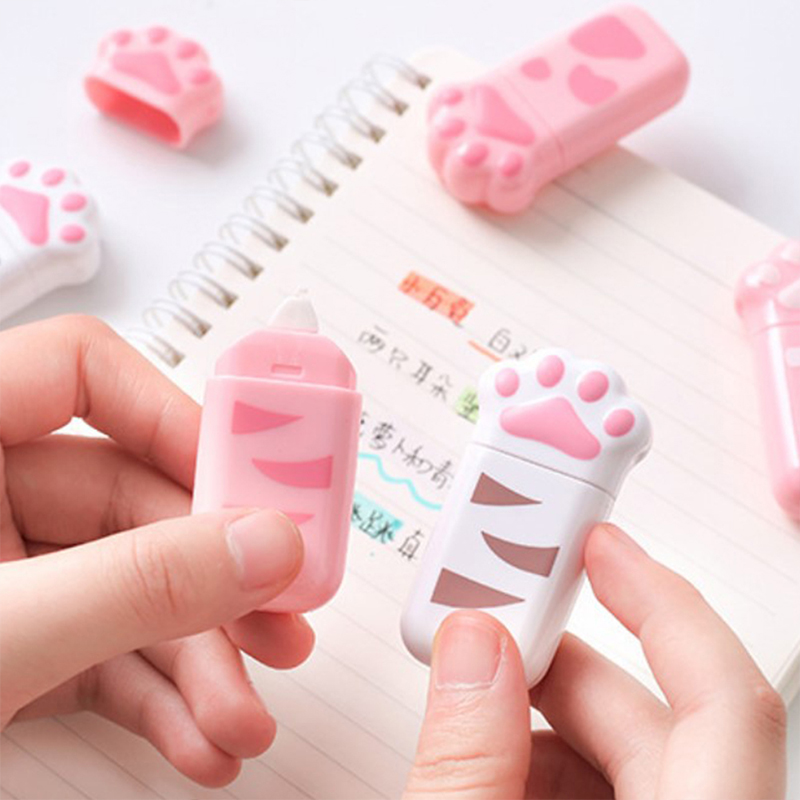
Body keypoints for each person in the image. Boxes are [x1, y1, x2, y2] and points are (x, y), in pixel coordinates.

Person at [0, 316, 787, 798]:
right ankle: (542, 448)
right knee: (496, 562)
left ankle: (532, 445)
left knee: (493, 554)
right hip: (507, 588)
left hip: (501, 570)